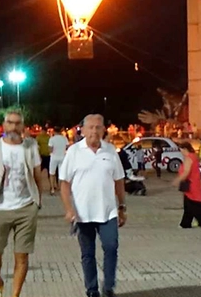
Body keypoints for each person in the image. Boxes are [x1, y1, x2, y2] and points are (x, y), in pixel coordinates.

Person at [0, 108, 48, 297]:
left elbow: (38, 177)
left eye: (18, 123)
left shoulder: (30, 146)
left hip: (26, 208)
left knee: (22, 256)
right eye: (10, 123)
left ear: (23, 126)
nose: (14, 127)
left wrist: (37, 202)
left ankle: (15, 295)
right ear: (4, 125)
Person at [59, 114, 126, 297]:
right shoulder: (74, 151)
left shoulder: (110, 151)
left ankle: (109, 286)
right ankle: (92, 289)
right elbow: (64, 183)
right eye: (90, 127)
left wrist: (122, 207)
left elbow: (119, 180)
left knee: (111, 247)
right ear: (82, 130)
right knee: (87, 254)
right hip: (83, 213)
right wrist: (69, 209)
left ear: (104, 130)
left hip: (108, 212)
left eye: (98, 127)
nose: (94, 131)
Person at [176, 141, 201, 228]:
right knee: (188, 205)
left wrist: (177, 180)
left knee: (191, 205)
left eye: (181, 150)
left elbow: (186, 172)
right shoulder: (193, 157)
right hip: (193, 184)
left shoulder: (189, 158)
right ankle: (186, 223)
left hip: (191, 185)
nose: (181, 152)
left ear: (185, 149)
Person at [47, 127, 70, 196]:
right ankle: (60, 188)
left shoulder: (52, 139)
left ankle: (52, 189)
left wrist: (52, 152)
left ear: (54, 131)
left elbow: (50, 148)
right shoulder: (64, 138)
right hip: (62, 157)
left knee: (52, 173)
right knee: (61, 173)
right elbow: (67, 146)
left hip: (54, 157)